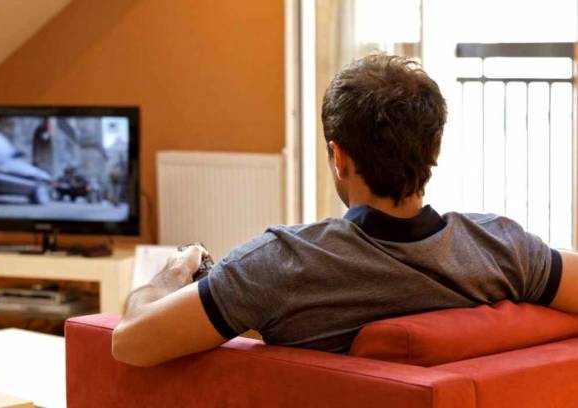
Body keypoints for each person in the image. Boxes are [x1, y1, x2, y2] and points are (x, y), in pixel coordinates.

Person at [112, 54, 578, 367]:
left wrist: (171, 274)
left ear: (339, 157)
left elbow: (129, 341)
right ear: (433, 148)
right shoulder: (505, 248)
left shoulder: (280, 266)